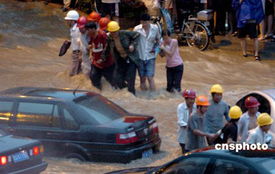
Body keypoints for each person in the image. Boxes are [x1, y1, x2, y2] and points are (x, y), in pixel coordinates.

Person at [107, 21, 140, 95]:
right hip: (121, 59)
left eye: (115, 32)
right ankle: (124, 94)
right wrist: (102, 58)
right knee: (118, 79)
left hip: (131, 58)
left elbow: (137, 35)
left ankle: (131, 95)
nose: (113, 34)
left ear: (118, 30)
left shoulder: (124, 33)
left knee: (131, 79)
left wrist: (132, 45)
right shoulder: (109, 37)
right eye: (112, 32)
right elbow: (107, 48)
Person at [134, 13, 161, 91]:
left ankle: (153, 96)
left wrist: (156, 50)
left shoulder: (155, 28)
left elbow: (158, 40)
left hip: (151, 56)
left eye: (146, 22)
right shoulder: (137, 29)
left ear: (149, 21)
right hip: (140, 57)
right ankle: (144, 97)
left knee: (150, 77)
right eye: (143, 22)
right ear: (140, 21)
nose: (144, 24)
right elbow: (133, 41)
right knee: (142, 78)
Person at [86, 22, 115, 90]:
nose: (87, 31)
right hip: (96, 63)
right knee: (93, 77)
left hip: (107, 63)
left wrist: (102, 59)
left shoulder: (102, 35)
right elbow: (91, 45)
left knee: (112, 81)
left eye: (88, 30)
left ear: (93, 29)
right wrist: (90, 53)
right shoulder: (91, 36)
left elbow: (108, 48)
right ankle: (98, 93)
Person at [177, 89, 196, 153]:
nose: (192, 101)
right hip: (184, 138)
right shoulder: (181, 107)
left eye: (193, 99)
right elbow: (180, 121)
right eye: (190, 99)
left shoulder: (196, 106)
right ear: (186, 99)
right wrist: (190, 127)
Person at [64, 10, 81, 76]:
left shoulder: (77, 30)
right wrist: (70, 42)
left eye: (68, 20)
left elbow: (80, 42)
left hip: (77, 53)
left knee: (72, 73)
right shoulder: (73, 28)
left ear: (72, 21)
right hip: (76, 52)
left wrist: (80, 55)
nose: (66, 22)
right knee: (78, 71)